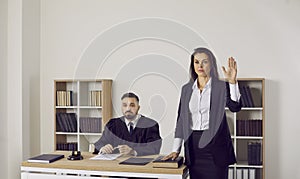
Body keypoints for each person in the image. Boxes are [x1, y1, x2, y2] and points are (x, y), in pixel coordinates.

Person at [163, 47, 242, 179]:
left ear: (211, 64)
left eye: (204, 62)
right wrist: (175, 150)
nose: (200, 65)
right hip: (194, 147)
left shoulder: (220, 86)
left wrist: (232, 83)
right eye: (196, 62)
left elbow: (235, 107)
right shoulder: (186, 89)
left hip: (216, 147)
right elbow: (181, 120)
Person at [94, 92, 162, 156]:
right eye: (125, 105)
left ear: (138, 108)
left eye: (132, 105)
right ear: (121, 107)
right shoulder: (112, 124)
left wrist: (133, 151)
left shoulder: (150, 125)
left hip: (141, 166)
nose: (128, 109)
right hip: (116, 165)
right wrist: (102, 148)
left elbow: (154, 148)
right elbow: (99, 143)